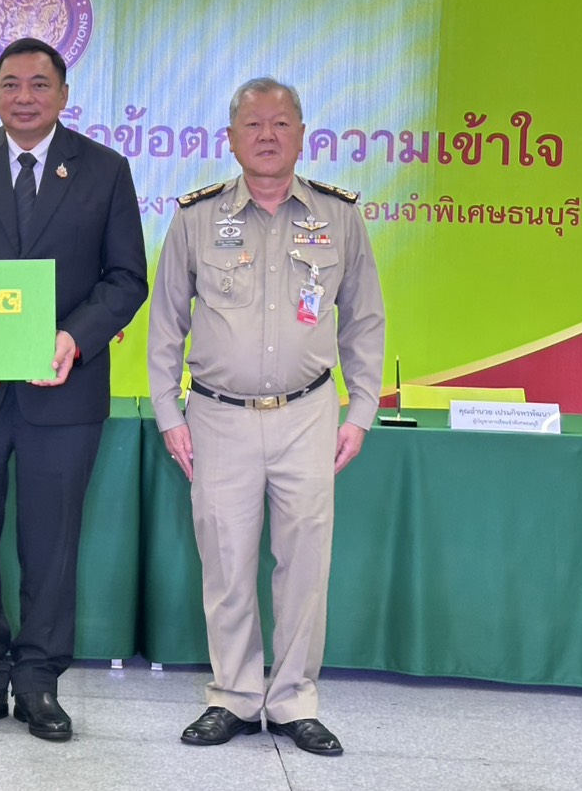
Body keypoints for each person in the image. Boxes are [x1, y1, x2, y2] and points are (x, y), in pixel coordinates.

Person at [0, 36, 148, 742]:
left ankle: (40, 681)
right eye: (10, 83)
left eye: (39, 84)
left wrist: (74, 337)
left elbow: (125, 278)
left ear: (63, 94)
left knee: (52, 544)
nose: (24, 96)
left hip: (63, 391)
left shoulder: (105, 170)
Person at [146, 77, 384, 757]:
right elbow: (165, 326)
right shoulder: (196, 218)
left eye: (281, 123)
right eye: (253, 125)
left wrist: (361, 411)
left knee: (304, 563)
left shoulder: (338, 216)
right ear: (231, 139)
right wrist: (169, 414)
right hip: (217, 415)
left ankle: (293, 700)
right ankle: (233, 694)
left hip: (308, 414)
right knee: (225, 561)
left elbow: (364, 321)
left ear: (302, 134)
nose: (267, 135)